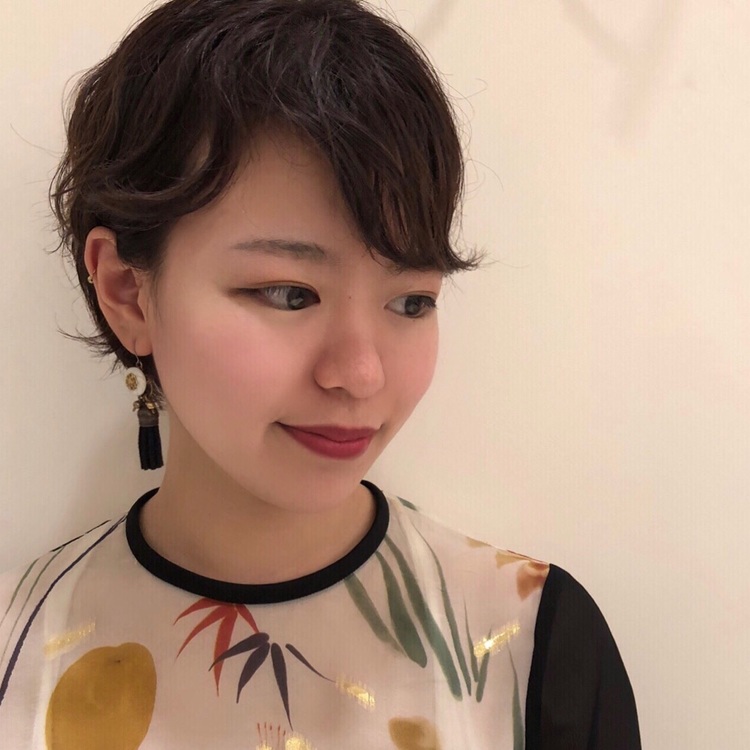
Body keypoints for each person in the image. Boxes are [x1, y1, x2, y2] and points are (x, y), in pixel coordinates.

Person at [0, 1, 641, 748]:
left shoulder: (530, 648)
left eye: (411, 301)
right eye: (288, 294)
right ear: (127, 292)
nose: (361, 375)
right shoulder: (18, 649)